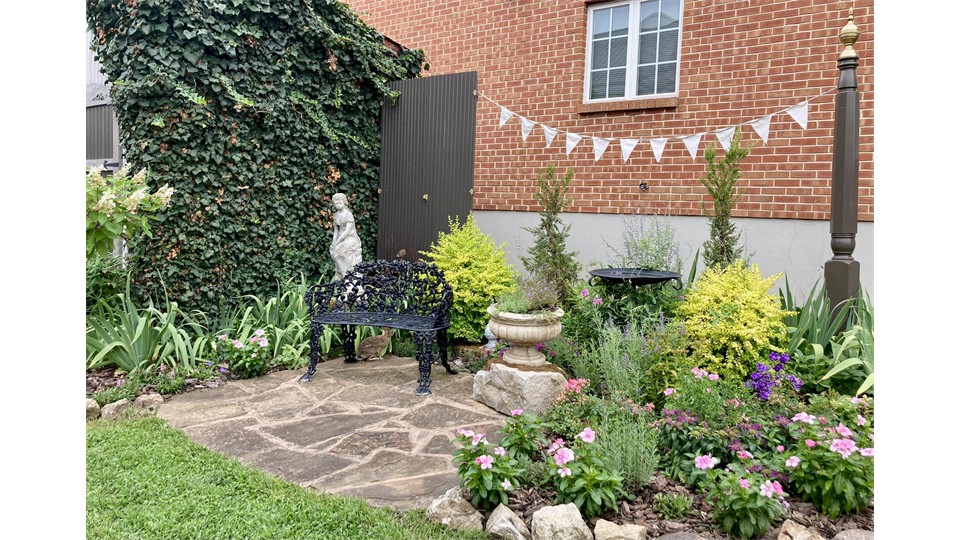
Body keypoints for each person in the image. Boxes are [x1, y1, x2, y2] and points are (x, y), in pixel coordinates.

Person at [330, 193, 363, 279]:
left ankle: (348, 276)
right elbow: (336, 230)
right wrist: (334, 243)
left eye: (339, 203)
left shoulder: (348, 215)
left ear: (344, 202)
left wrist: (338, 242)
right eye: (336, 204)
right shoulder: (336, 215)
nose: (338, 205)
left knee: (339, 253)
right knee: (333, 252)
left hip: (350, 238)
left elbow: (347, 231)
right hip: (340, 239)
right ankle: (342, 275)